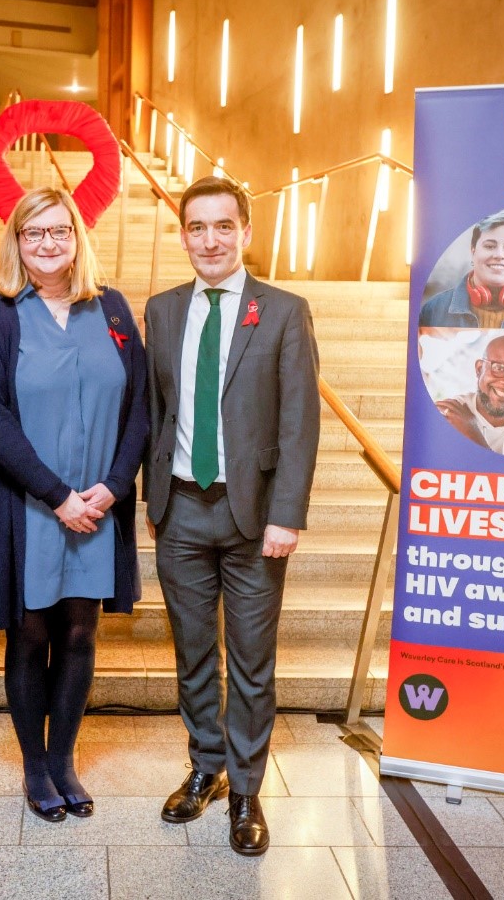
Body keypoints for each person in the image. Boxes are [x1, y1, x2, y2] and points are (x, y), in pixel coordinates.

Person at [0, 187, 147, 823]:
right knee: (30, 631)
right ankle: (34, 767)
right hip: (28, 505)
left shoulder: (112, 308)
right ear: (16, 241)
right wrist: (57, 495)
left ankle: (63, 758)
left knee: (79, 631)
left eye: (59, 231)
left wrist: (114, 486)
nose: (47, 243)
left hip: (96, 504)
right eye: (33, 232)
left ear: (77, 238)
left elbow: (141, 405)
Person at [143, 176, 320, 856]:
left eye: (223, 226)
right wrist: (150, 498)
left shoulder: (281, 310)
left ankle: (246, 788)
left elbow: (299, 421)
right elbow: (154, 412)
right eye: (196, 227)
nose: (209, 240)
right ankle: (206, 767)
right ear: (182, 233)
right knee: (192, 654)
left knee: (250, 661)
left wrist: (287, 513)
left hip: (254, 520)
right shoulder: (160, 310)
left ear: (245, 232)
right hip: (180, 509)